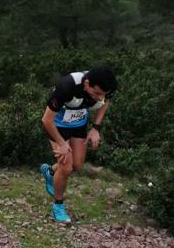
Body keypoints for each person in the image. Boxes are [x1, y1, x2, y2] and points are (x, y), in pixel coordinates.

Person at [40, 67, 117, 223]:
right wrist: (61, 144)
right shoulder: (67, 86)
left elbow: (105, 103)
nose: (99, 98)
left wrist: (96, 128)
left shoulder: (104, 88)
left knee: (77, 165)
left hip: (78, 125)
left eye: (102, 94)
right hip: (56, 126)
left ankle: (50, 172)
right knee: (66, 167)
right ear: (87, 83)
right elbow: (46, 120)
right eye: (96, 93)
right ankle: (58, 207)